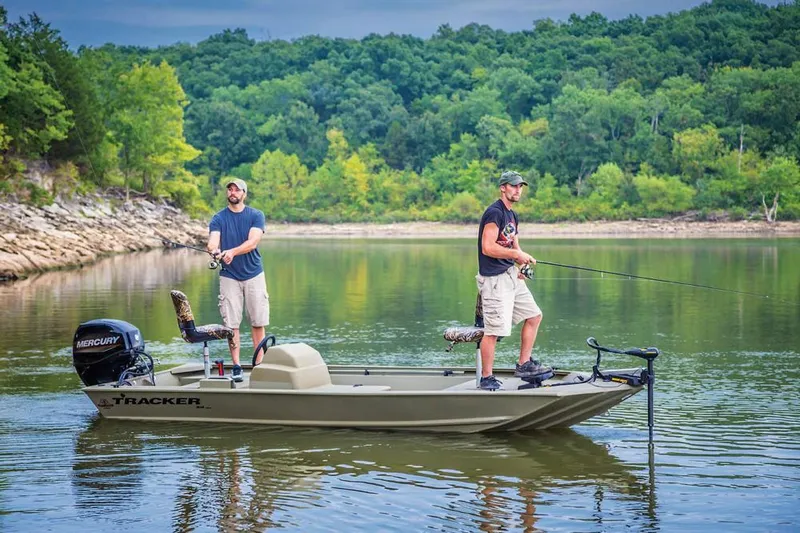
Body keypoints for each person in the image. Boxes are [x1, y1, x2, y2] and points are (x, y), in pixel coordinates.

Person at [476, 170, 548, 391]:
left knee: (534, 315)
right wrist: (516, 255)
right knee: (494, 330)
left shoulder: (512, 215)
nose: (518, 190)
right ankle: (487, 377)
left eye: (520, 186)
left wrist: (522, 263)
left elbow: (514, 247)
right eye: (514, 186)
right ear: (503, 188)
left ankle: (524, 364)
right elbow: (487, 247)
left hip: (510, 276)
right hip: (494, 281)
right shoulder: (494, 213)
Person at [207, 178, 269, 382]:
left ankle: (259, 365)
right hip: (229, 276)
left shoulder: (256, 215)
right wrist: (215, 251)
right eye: (230, 189)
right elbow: (212, 242)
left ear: (244, 194)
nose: (233, 192)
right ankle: (236, 365)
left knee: (258, 322)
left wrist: (232, 252)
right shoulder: (218, 218)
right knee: (231, 324)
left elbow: (253, 242)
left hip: (254, 274)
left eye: (237, 190)